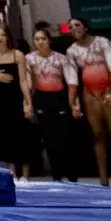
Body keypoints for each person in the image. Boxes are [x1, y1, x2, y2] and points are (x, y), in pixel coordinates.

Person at [66, 17, 111, 186]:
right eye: (70, 27)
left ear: (85, 27)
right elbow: (72, 80)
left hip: (107, 90)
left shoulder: (102, 42)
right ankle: (103, 179)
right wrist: (73, 103)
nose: (74, 29)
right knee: (98, 136)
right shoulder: (72, 51)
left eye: (77, 25)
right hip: (90, 94)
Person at [25, 27, 79, 181]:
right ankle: (56, 175)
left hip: (60, 98)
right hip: (41, 98)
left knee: (65, 136)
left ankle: (72, 174)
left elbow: (72, 82)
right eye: (37, 39)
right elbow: (28, 84)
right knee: (49, 139)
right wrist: (28, 103)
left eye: (43, 38)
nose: (40, 42)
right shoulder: (29, 59)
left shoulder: (62, 59)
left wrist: (74, 103)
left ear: (49, 40)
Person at [0, 25, 31, 178]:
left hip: (15, 96)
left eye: (3, 34)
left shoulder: (18, 55)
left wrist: (28, 101)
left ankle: (25, 175)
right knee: (4, 135)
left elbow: (23, 80)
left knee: (21, 134)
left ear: (8, 37)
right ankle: (12, 173)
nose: (0, 38)